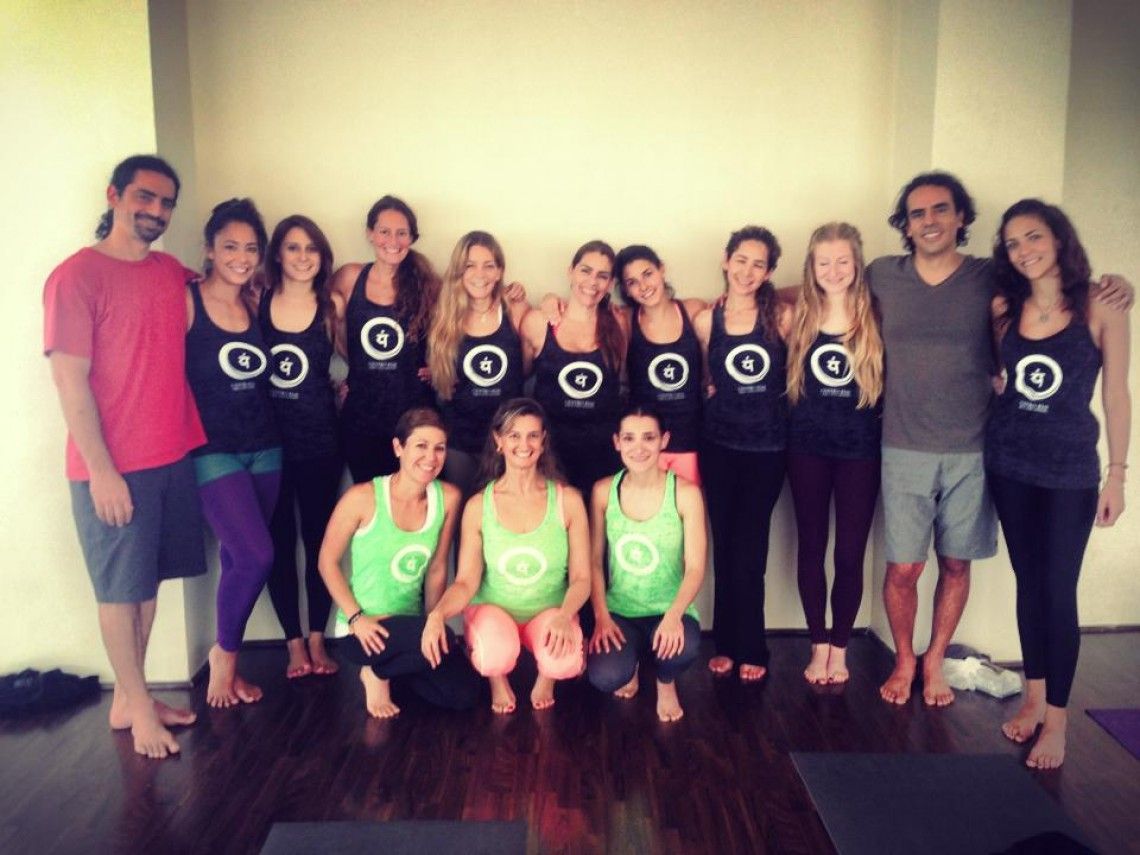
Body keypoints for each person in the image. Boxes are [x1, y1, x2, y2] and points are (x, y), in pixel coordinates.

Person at [871, 172, 1131, 707]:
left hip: (976, 448)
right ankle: (904, 659)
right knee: (904, 568)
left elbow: (1064, 299)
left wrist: (1119, 284)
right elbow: (825, 285)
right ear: (906, 225)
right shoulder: (884, 274)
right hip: (910, 445)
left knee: (958, 564)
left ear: (961, 217)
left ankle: (935, 660)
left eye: (941, 209)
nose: (929, 221)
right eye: (917, 213)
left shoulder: (991, 278)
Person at [44, 154, 206, 759]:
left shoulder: (168, 272)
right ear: (114, 195)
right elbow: (69, 381)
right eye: (144, 197)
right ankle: (139, 710)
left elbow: (209, 283)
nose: (155, 211)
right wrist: (101, 472)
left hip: (172, 455)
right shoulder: (75, 277)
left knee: (147, 585)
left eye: (166, 203)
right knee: (118, 592)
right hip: (113, 468)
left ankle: (129, 699)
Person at [986, 200, 1129, 769]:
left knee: (1057, 589)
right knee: (1029, 583)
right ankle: (1033, 697)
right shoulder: (1003, 307)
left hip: (1070, 472)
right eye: (1013, 242)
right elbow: (998, 376)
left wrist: (1117, 475)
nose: (1024, 250)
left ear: (1059, 239)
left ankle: (1058, 720)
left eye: (1034, 237)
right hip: (1008, 463)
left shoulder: (1102, 304)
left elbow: (1116, 394)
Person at [421, 398, 591, 713]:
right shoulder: (478, 506)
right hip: (494, 610)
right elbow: (466, 582)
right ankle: (497, 680)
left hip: (550, 611)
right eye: (514, 435)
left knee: (565, 661)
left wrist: (565, 616)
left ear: (543, 441)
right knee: (493, 656)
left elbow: (582, 578)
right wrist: (438, 614)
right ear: (498, 441)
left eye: (532, 435)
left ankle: (547, 678)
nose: (523, 445)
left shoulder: (568, 500)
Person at [317, 408, 478, 718]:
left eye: (439, 448)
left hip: (409, 626)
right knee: (443, 646)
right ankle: (375, 673)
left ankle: (394, 668)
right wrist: (356, 617)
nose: (431, 457)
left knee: (464, 694)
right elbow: (327, 562)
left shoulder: (449, 497)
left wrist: (432, 623)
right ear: (398, 448)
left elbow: (437, 568)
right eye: (421, 446)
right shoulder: (362, 497)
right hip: (363, 629)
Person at [185, 198, 281, 709]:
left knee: (236, 557)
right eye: (230, 247)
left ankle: (232, 663)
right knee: (256, 554)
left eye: (250, 248)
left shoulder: (256, 302)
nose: (241, 258)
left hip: (266, 446)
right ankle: (223, 658)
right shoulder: (186, 301)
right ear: (209, 250)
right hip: (211, 450)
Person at [785, 223, 883, 685]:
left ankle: (840, 648)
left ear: (857, 263)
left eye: (843, 260)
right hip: (806, 448)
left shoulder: (877, 313)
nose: (834, 270)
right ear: (812, 266)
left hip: (860, 451)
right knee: (811, 547)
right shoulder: (797, 314)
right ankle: (818, 644)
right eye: (824, 262)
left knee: (849, 553)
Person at [694, 226, 792, 682]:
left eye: (759, 264)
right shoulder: (706, 320)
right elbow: (704, 379)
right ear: (725, 260)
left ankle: (753, 646)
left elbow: (818, 293)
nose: (748, 271)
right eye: (741, 260)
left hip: (767, 449)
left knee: (751, 548)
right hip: (717, 446)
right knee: (723, 545)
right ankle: (725, 644)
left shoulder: (782, 317)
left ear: (769, 272)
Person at [260, 215, 344, 679]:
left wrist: (347, 388)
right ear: (278, 253)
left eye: (311, 248)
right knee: (277, 545)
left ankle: (317, 638)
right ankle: (293, 642)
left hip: (320, 442)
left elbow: (358, 356)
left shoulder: (331, 305)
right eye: (293, 247)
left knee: (319, 544)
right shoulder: (257, 299)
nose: (303, 256)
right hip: (268, 443)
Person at [586, 407, 706, 722]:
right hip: (620, 610)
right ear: (617, 442)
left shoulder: (685, 493)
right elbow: (594, 562)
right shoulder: (603, 491)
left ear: (663, 440)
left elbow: (695, 567)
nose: (638, 448)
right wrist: (601, 616)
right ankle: (632, 666)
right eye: (629, 438)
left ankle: (665, 681)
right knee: (606, 676)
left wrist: (674, 615)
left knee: (683, 647)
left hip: (669, 608)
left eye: (649, 438)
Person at [332, 195, 440, 483]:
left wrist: (440, 368)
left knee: (417, 500)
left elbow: (463, 317)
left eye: (402, 233)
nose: (393, 240)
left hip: (415, 417)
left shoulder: (427, 283)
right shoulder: (350, 277)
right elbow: (311, 308)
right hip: (361, 416)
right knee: (370, 499)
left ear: (412, 238)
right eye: (384, 231)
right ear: (370, 234)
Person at [522, 242, 628, 501]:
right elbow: (516, 381)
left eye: (602, 275)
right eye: (585, 270)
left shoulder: (619, 323)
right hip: (549, 453)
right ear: (570, 271)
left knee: (597, 524)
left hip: (602, 453)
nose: (592, 282)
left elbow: (623, 383)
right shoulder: (538, 322)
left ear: (611, 283)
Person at [428, 231, 530, 498]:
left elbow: (527, 368)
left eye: (489, 266)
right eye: (470, 265)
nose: (480, 274)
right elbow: (439, 376)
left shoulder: (515, 310)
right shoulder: (444, 316)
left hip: (507, 439)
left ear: (500, 271)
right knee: (462, 511)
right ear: (458, 271)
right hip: (459, 439)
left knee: (501, 512)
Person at [614, 245, 707, 484]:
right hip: (644, 445)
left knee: (689, 504)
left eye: (648, 274)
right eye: (632, 282)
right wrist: (551, 301)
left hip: (690, 437)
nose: (643, 286)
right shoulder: (626, 320)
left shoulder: (692, 310)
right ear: (626, 289)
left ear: (661, 270)